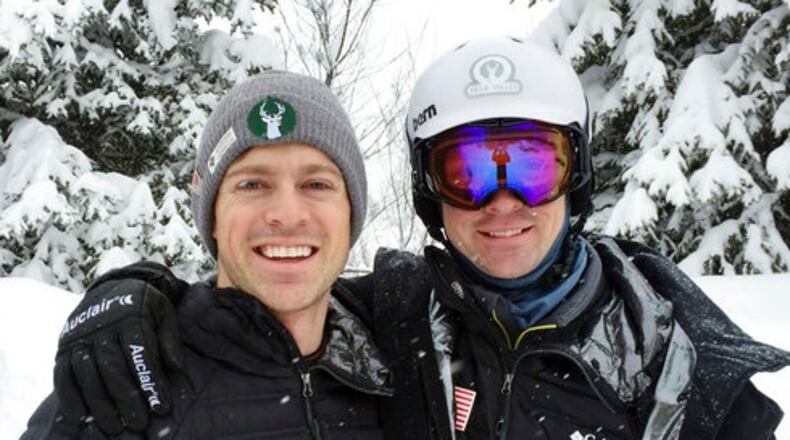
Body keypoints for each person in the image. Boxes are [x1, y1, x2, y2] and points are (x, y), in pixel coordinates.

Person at [40, 37, 790, 440]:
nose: (501, 203)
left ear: (577, 175)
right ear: (431, 193)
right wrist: (135, 293)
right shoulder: (396, 320)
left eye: (530, 166)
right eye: (465, 171)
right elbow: (263, 306)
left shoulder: (676, 363)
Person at [21, 71, 393, 439]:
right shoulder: (123, 389)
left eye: (316, 184)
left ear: (350, 212)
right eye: (252, 184)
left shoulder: (401, 361)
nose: (287, 213)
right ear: (212, 216)